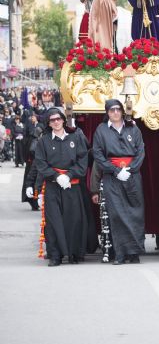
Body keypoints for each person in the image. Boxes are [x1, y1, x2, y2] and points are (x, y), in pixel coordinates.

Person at [92, 99, 145, 264]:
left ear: (122, 111)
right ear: (107, 112)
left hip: (132, 176)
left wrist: (130, 170)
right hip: (112, 176)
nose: (115, 112)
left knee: (135, 213)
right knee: (116, 214)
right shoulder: (101, 130)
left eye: (118, 109)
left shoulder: (133, 129)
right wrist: (115, 171)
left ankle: (134, 252)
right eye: (111, 110)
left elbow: (140, 152)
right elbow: (98, 155)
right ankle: (120, 253)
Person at [35, 107, 89, 266]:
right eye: (52, 120)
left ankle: (73, 253)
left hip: (72, 185)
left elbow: (82, 160)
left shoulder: (75, 137)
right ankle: (55, 255)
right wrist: (56, 176)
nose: (56, 122)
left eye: (59, 119)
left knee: (74, 219)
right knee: (53, 222)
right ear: (49, 123)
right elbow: (40, 164)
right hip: (53, 185)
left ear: (64, 120)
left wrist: (70, 175)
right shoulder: (43, 141)